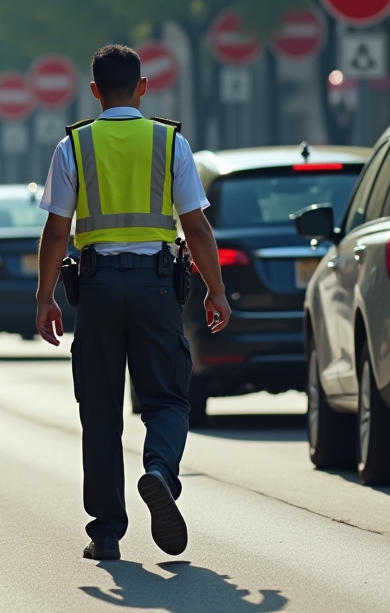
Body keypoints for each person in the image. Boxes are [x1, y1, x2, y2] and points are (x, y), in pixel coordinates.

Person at [34, 44, 230, 562]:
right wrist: (216, 289)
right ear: (143, 87)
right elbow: (196, 226)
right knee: (167, 398)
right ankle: (159, 471)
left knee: (99, 410)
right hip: (157, 288)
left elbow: (56, 232)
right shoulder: (171, 143)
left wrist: (45, 298)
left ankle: (105, 531)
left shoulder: (73, 146)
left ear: (94, 91)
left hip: (95, 292)